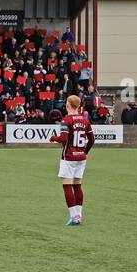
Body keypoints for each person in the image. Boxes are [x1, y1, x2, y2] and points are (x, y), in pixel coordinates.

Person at [51, 94, 93, 226]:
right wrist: (84, 151)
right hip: (81, 157)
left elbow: (63, 139)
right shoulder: (85, 120)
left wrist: (53, 138)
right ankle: (79, 215)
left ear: (68, 105)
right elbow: (92, 139)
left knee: (67, 185)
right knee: (78, 184)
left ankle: (73, 216)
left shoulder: (66, 120)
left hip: (69, 157)